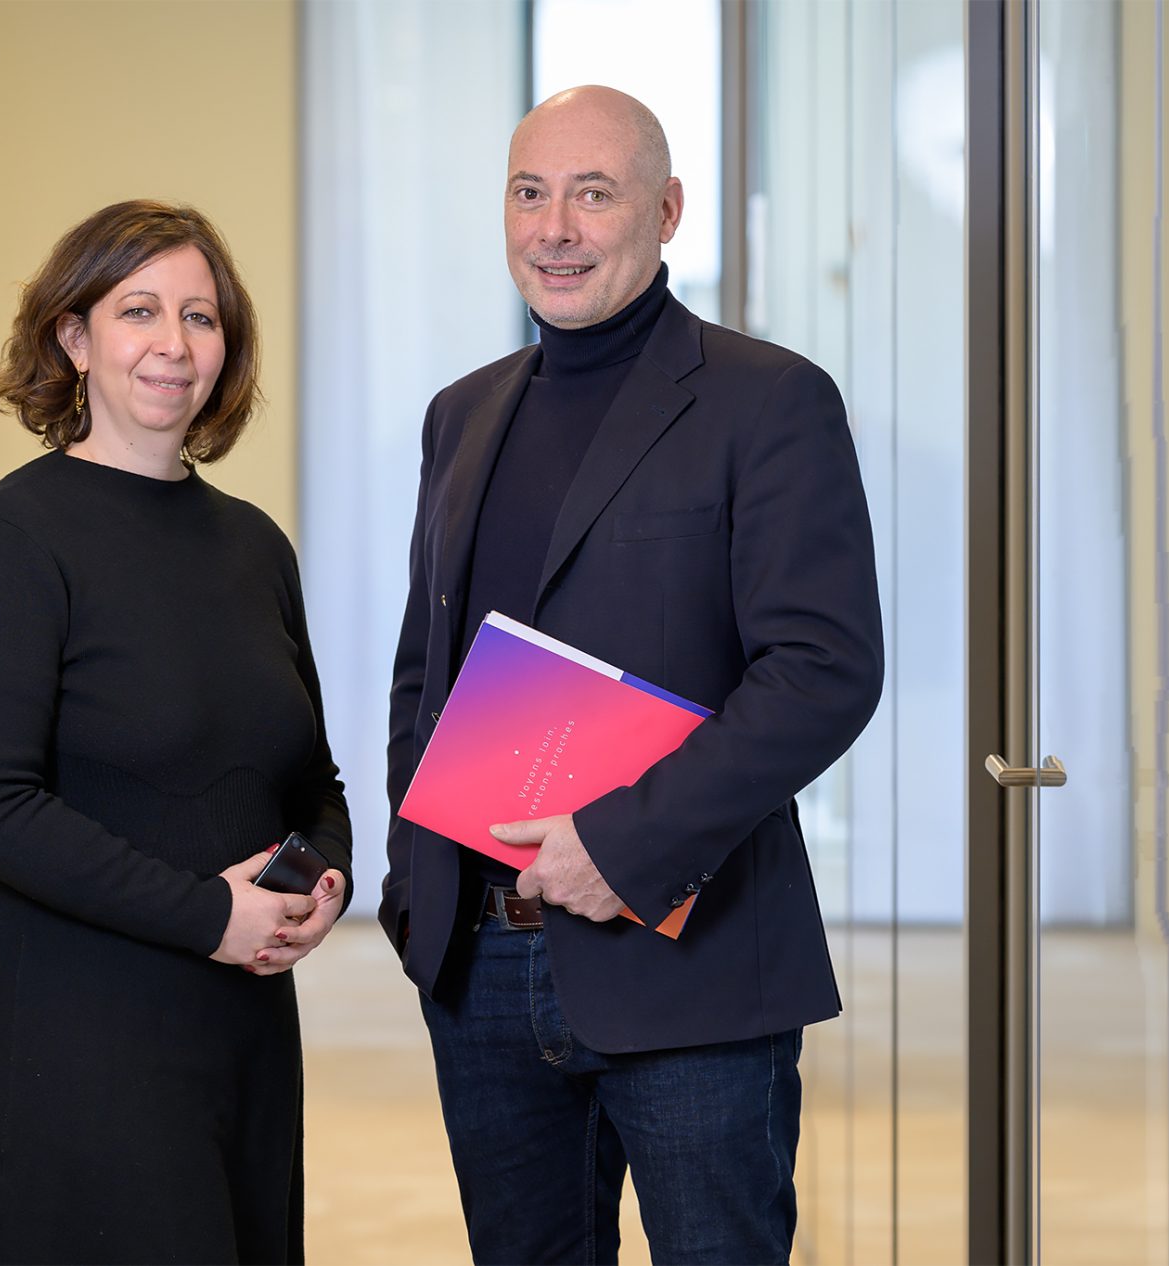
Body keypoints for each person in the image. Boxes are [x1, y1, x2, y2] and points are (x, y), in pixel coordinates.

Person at [383, 87, 884, 1264]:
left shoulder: (769, 402)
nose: (554, 227)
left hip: (689, 965)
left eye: (592, 193)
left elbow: (822, 668)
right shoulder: (460, 417)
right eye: (529, 192)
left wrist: (624, 846)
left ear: (665, 212)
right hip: (486, 964)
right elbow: (425, 673)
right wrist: (421, 894)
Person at [0, 199, 351, 1266]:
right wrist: (209, 913)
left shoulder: (255, 547)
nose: (174, 344)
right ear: (74, 338)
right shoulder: (14, 538)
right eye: (140, 311)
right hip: (73, 1029)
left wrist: (324, 878)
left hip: (241, 1021)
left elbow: (311, 771)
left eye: (201, 317)